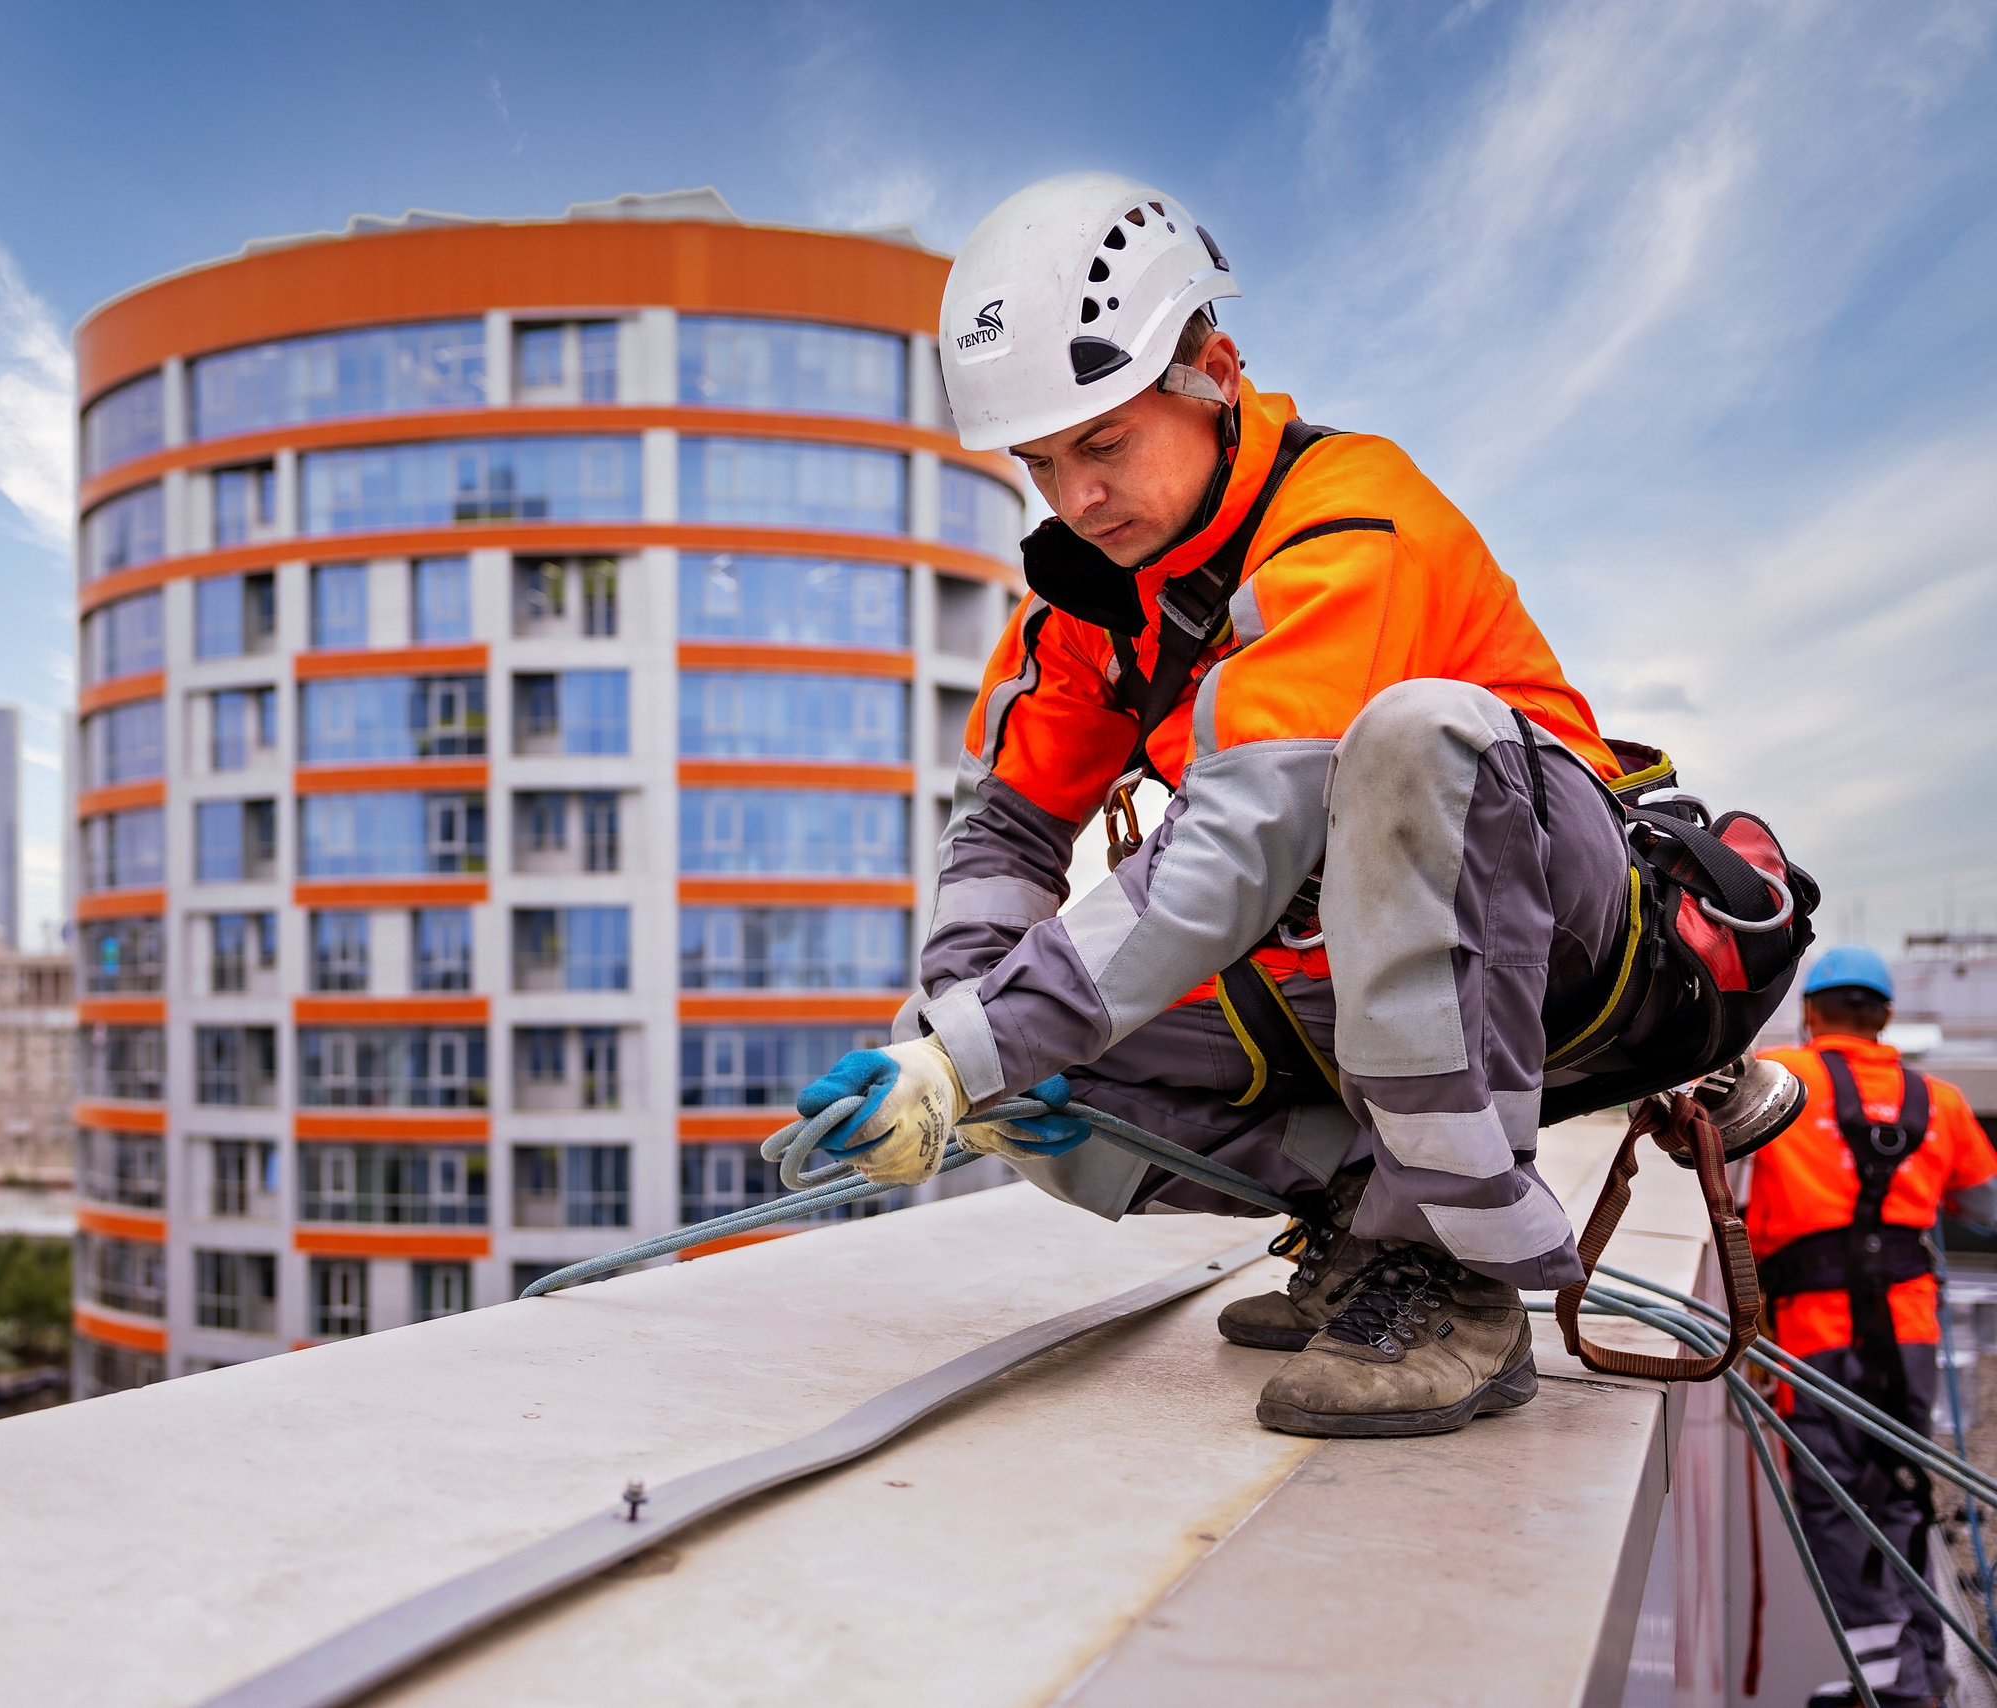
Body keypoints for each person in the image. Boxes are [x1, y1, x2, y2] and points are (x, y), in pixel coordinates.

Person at [791, 171, 1797, 1438]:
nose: (1077, 499)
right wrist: (950, 1052)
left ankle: (1456, 1273)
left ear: (1211, 372)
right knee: (974, 1028)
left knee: (1409, 739)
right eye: (1043, 463)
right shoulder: (1093, 612)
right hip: (1354, 982)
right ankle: (1366, 1225)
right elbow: (1004, 829)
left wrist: (976, 1045)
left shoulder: (1347, 519)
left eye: (1103, 444)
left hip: (1572, 944)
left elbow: (1232, 843)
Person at [1747, 945, 1997, 1708]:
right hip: (1910, 1332)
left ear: (1812, 1012)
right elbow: (1986, 1207)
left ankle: (1887, 1688)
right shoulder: (1942, 1103)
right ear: (1885, 1017)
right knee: (1901, 1497)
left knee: (1834, 1501)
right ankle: (1917, 1674)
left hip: (1812, 1334)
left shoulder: (1776, 1077)